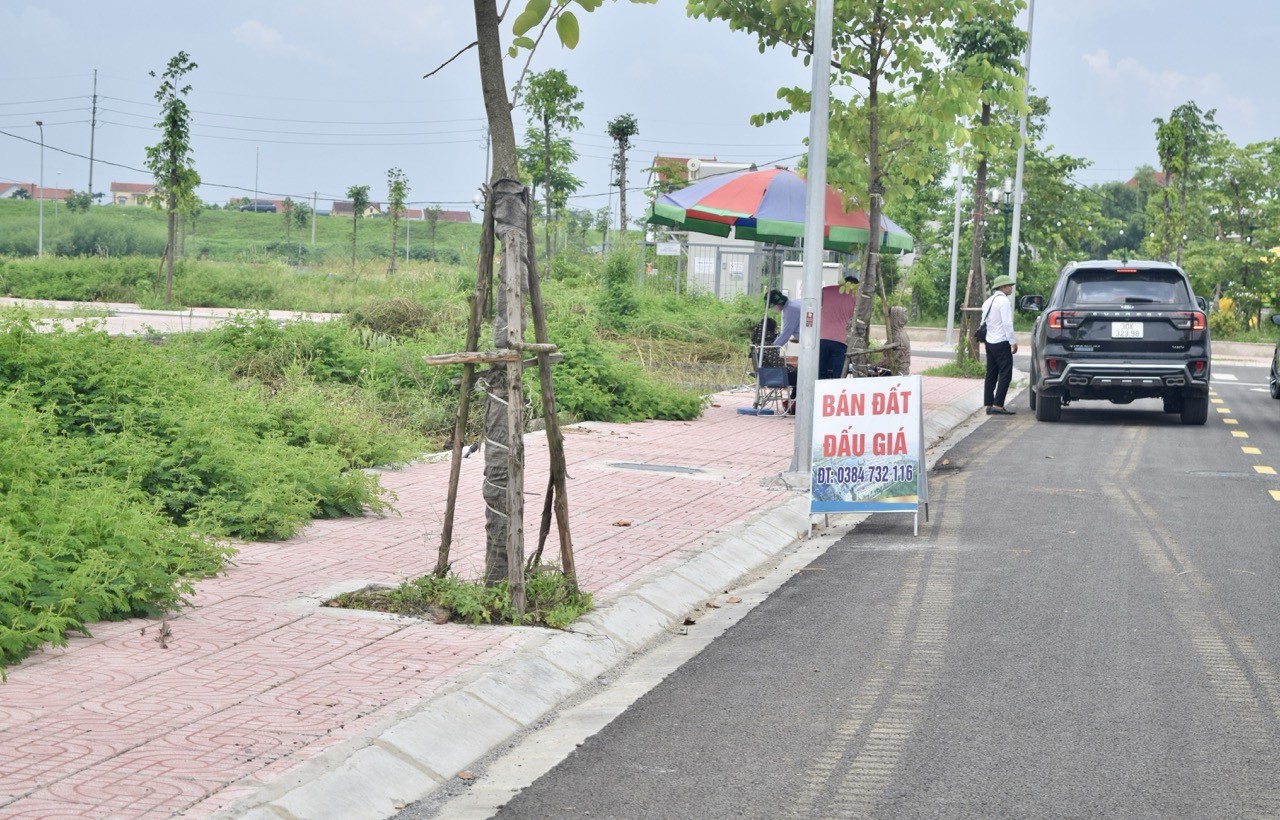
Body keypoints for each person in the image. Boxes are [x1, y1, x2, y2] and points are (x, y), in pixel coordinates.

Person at [981, 274, 1018, 415]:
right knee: (1005, 373)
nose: (1011, 288)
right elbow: (1007, 323)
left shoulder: (988, 301)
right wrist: (1012, 342)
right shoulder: (1003, 302)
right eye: (1009, 286)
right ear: (1002, 287)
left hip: (989, 341)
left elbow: (983, 322)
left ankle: (989, 404)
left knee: (991, 372)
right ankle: (998, 405)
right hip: (1001, 341)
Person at [819, 274, 858, 378]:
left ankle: (820, 393)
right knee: (838, 375)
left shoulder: (826, 290)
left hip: (822, 338)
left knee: (820, 371)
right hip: (841, 341)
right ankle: (834, 393)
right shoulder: (855, 297)